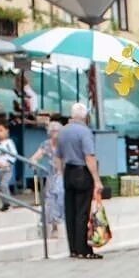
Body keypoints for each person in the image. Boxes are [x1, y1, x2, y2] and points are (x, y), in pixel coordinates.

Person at [56, 102, 103, 259]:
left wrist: (61, 174)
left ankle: (73, 249)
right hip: (82, 172)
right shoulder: (85, 132)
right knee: (82, 211)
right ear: (85, 116)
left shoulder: (62, 131)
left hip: (68, 171)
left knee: (70, 211)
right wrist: (96, 180)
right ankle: (84, 249)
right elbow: (89, 156)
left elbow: (58, 156)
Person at [30, 120, 65, 237]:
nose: (55, 133)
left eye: (58, 131)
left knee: (59, 199)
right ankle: (51, 226)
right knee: (49, 201)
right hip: (51, 175)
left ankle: (57, 224)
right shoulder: (46, 144)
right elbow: (36, 156)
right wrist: (33, 161)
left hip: (63, 175)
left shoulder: (64, 144)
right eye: (53, 131)